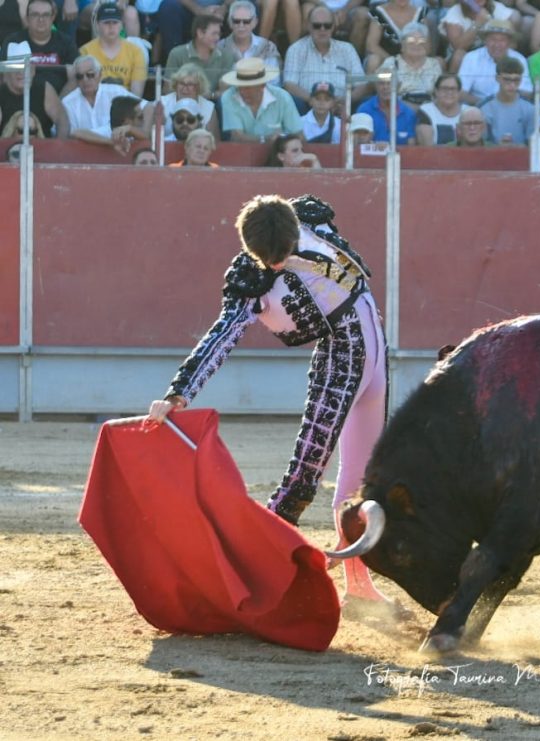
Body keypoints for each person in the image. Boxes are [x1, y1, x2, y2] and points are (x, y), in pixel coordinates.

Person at [145, 194, 390, 604]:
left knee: (361, 479)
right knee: (302, 476)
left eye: (282, 254)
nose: (275, 264)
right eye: (266, 257)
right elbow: (221, 335)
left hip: (374, 354)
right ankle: (251, 578)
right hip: (339, 361)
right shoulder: (250, 278)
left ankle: (360, 588)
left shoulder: (309, 218)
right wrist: (179, 393)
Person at [283, 4, 367, 115]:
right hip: (307, 107)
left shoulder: (347, 49)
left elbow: (362, 84)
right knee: (291, 101)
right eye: (317, 25)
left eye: (327, 25)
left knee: (366, 103)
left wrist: (345, 100)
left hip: (342, 106)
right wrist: (313, 100)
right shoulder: (296, 49)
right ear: (309, 26)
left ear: (333, 27)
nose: (322, 29)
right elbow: (289, 84)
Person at [0, 0, 78, 95]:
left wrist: (58, 102)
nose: (41, 19)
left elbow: (78, 76)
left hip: (59, 99)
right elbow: (4, 77)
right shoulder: (13, 42)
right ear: (27, 17)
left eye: (45, 15)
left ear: (53, 17)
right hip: (20, 100)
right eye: (35, 15)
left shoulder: (66, 43)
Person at [220, 57, 303, 142]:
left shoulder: (283, 97)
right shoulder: (228, 97)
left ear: (262, 85)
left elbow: (298, 135)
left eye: (248, 88)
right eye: (239, 87)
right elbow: (237, 137)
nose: (242, 92)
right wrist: (266, 139)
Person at [458, 19, 532, 104]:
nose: (497, 44)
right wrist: (487, 105)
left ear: (509, 42)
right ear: (485, 41)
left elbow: (527, 93)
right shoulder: (471, 58)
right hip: (478, 107)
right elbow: (461, 92)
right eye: (492, 39)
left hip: (510, 106)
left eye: (502, 40)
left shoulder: (519, 59)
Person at [78, 3, 146, 97]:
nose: (111, 27)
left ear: (122, 25)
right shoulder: (85, 51)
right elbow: (85, 91)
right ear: (97, 25)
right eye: (106, 23)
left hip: (125, 105)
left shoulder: (136, 52)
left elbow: (136, 95)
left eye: (115, 22)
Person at [441, 0, 518, 74]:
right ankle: (452, 83)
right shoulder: (455, 12)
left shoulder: (495, 7)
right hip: (466, 54)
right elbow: (458, 47)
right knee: (459, 55)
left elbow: (512, 40)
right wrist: (478, 23)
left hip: (490, 51)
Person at [376, 22, 444, 104]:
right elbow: (383, 88)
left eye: (421, 41)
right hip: (401, 108)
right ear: (402, 45)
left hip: (428, 108)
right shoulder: (391, 62)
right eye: (411, 41)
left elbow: (440, 92)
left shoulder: (434, 63)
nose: (416, 45)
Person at [218, 0, 282, 86]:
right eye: (236, 21)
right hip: (230, 96)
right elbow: (218, 81)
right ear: (230, 22)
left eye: (246, 21)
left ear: (255, 22)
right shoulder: (220, 48)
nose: (241, 25)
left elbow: (274, 82)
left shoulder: (267, 47)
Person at [165, 14, 234, 94]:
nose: (217, 38)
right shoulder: (177, 54)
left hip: (215, 102)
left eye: (218, 34)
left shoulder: (226, 56)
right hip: (183, 102)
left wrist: (209, 97)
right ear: (200, 33)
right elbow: (168, 90)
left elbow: (225, 93)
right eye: (214, 34)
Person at [60, 54, 127, 135]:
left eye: (90, 75)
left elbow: (145, 107)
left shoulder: (118, 92)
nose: (85, 80)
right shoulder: (68, 102)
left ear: (100, 74)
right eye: (79, 76)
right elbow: (72, 135)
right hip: (83, 147)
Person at [0, 63, 67, 138]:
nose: (21, 73)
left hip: (42, 147)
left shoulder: (44, 89)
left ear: (33, 71)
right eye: (16, 69)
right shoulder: (1, 92)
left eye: (25, 68)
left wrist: (59, 145)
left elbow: (62, 120)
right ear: (7, 72)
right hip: (7, 147)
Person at [156, 62, 220, 140]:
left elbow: (215, 141)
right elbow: (153, 137)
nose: (185, 88)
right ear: (176, 84)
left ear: (199, 87)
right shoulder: (162, 103)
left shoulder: (209, 108)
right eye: (181, 83)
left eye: (190, 84)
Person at [480, 55, 534, 144]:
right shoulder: (484, 108)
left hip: (522, 156)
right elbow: (481, 144)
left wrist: (514, 148)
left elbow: (532, 145)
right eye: (507, 79)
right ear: (497, 78)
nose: (512, 85)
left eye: (516, 80)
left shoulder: (530, 108)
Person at [70, 93, 148, 154]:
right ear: (127, 121)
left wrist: (129, 128)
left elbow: (149, 136)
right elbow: (76, 133)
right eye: (140, 117)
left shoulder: (135, 132)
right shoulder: (106, 131)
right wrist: (111, 142)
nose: (144, 120)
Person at [355, 71, 418, 144]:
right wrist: (375, 146)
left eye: (389, 83)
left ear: (397, 87)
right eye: (381, 83)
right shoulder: (364, 110)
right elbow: (358, 143)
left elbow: (411, 146)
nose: (385, 87)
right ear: (375, 86)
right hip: (371, 154)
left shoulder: (408, 113)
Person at [364, 0, 426, 72]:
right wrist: (393, 61)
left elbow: (426, 47)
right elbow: (371, 46)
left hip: (413, 59)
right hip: (385, 60)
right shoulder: (379, 12)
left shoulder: (420, 13)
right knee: (373, 60)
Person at [415, 73, 467, 145]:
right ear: (436, 91)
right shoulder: (426, 111)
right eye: (444, 88)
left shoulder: (468, 112)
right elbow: (427, 148)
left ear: (459, 92)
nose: (449, 92)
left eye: (453, 89)